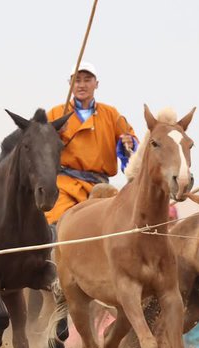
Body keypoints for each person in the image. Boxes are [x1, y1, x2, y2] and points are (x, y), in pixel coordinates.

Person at [45, 62, 137, 225]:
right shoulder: (56, 113)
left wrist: (128, 143)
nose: (82, 85)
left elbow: (131, 144)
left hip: (100, 187)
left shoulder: (111, 114)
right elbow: (41, 149)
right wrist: (54, 134)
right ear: (70, 84)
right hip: (66, 186)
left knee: (120, 224)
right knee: (55, 223)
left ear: (96, 84)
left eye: (87, 80)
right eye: (77, 80)